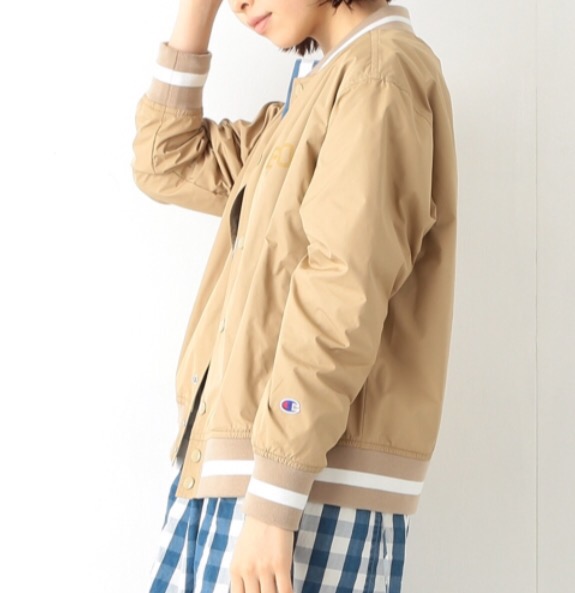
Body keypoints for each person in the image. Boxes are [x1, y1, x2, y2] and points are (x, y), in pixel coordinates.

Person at [131, 1, 457, 592]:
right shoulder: (310, 95)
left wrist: (275, 500)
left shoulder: (379, 73)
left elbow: (342, 293)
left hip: (303, 489)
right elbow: (165, 160)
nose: (240, 5)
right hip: (240, 476)